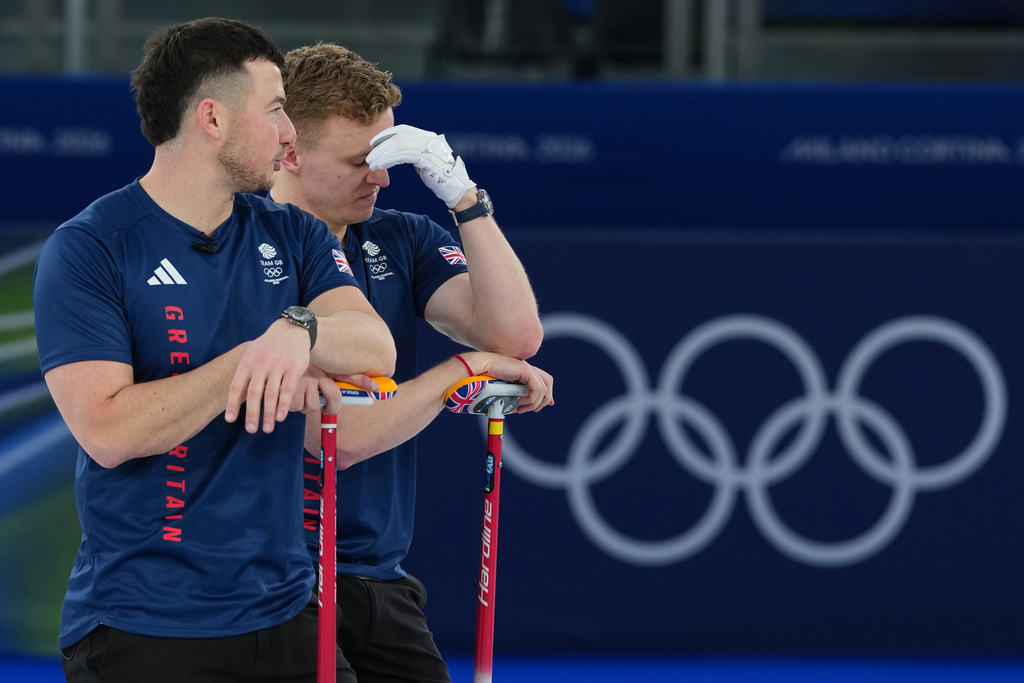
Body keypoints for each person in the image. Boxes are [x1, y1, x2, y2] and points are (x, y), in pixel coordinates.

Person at [32, 18, 396, 683]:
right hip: (144, 620)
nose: (290, 134)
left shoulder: (292, 233)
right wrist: (248, 360)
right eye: (277, 109)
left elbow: (375, 343)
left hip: (287, 607)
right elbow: (109, 430)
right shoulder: (91, 248)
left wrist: (297, 329)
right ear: (212, 118)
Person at [271, 43, 553, 682]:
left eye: (390, 157)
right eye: (359, 162)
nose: (383, 178)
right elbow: (334, 439)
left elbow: (516, 335)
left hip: (380, 576)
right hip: (283, 579)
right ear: (289, 152)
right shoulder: (249, 252)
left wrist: (463, 196)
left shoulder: (400, 236)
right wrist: (462, 372)